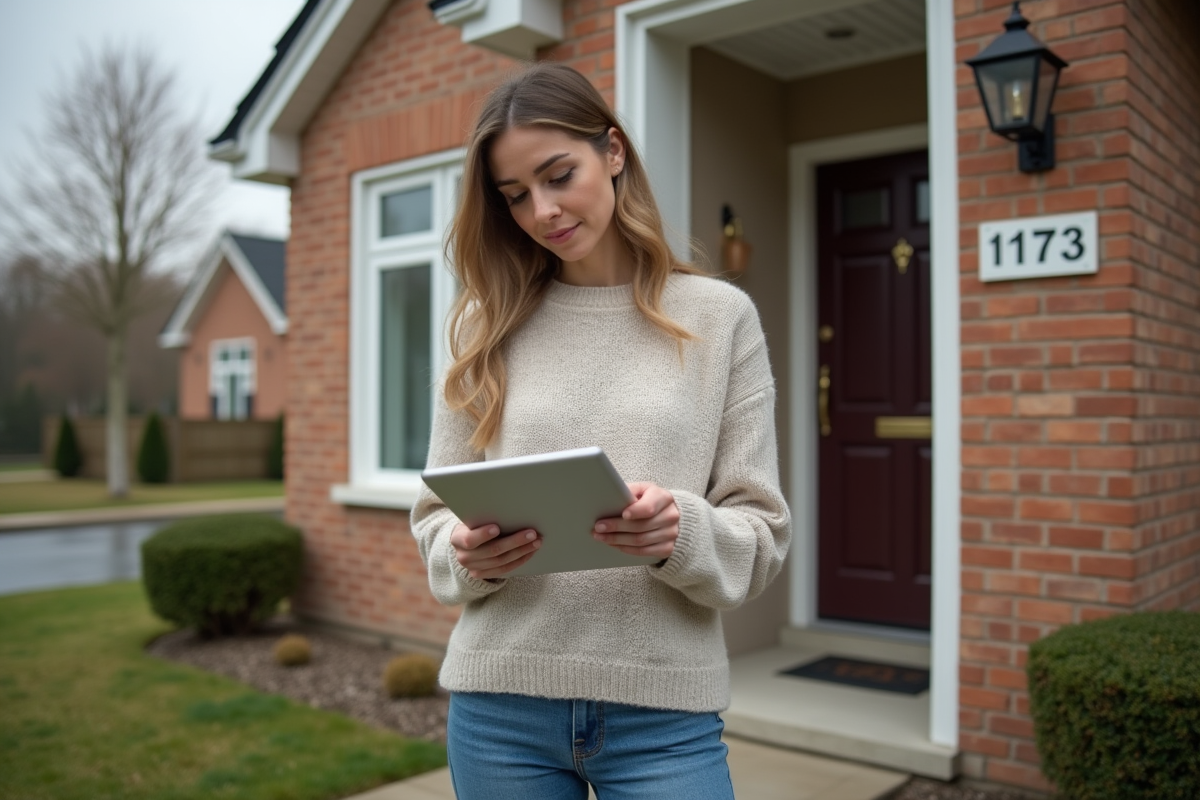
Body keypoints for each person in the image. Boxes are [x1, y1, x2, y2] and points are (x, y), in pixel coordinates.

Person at [411, 62, 791, 800]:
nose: (542, 210)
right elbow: (433, 521)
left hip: (664, 714)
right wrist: (469, 555)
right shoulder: (481, 326)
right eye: (515, 195)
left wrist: (678, 533)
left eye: (560, 175)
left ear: (613, 152)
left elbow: (762, 535)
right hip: (500, 710)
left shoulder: (718, 317)